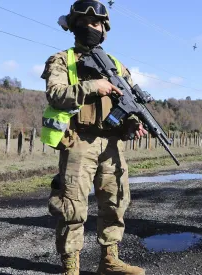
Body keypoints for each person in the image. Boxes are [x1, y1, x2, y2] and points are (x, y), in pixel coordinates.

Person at [40, 1, 147, 274]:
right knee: (72, 206)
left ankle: (109, 260)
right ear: (74, 26)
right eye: (85, 23)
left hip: (112, 143)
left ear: (105, 30)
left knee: (115, 202)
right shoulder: (62, 60)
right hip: (79, 141)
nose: (91, 28)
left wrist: (133, 122)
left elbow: (131, 100)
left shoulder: (117, 65)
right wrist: (93, 86)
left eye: (96, 24)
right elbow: (56, 94)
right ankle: (70, 267)